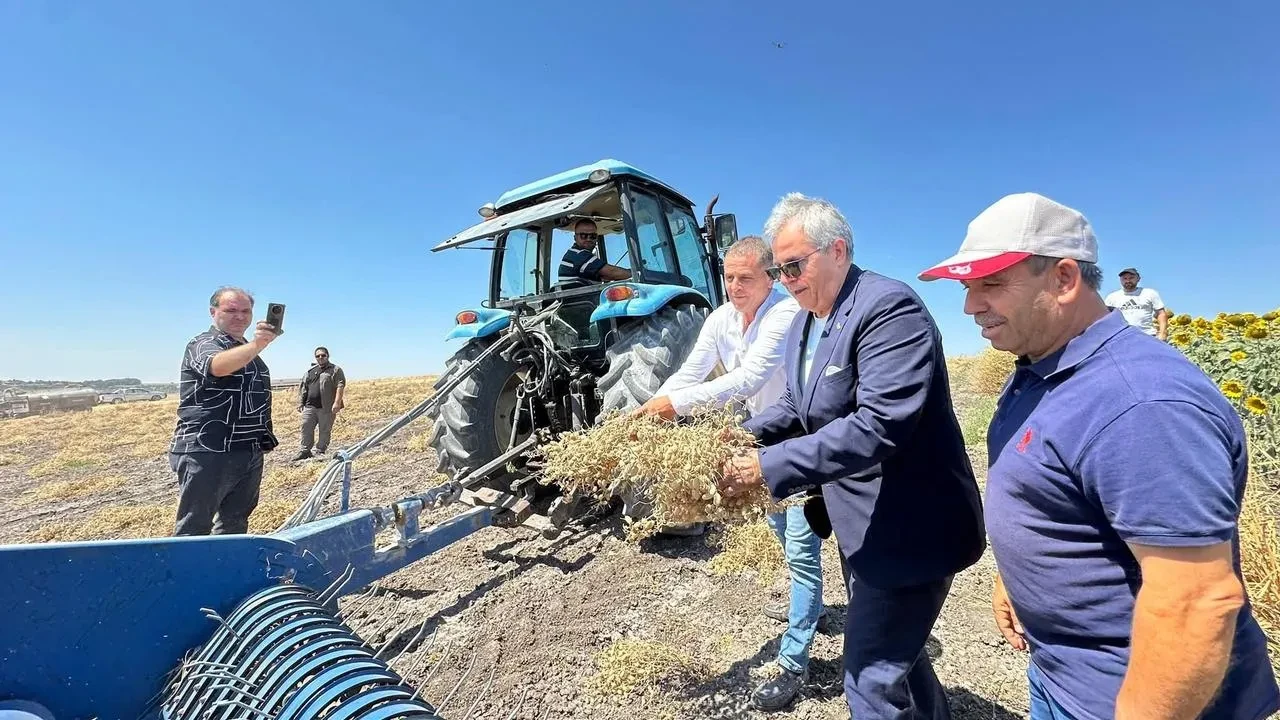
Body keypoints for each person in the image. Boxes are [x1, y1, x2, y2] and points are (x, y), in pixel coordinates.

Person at [918, 192, 1280, 720]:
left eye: (990, 284)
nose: (970, 306)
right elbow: (1057, 496)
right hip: (1063, 675)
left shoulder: (1141, 402)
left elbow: (1194, 602)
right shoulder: (1044, 367)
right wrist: (1018, 575)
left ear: (1064, 279)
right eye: (967, 287)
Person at [719, 193, 985, 719]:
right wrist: (741, 436)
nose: (786, 279)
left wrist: (767, 467)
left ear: (836, 250)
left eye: (794, 266)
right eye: (779, 270)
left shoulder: (889, 309)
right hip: (858, 523)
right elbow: (797, 403)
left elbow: (880, 425)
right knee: (899, 656)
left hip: (907, 525)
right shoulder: (806, 321)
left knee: (868, 681)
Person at [634, 236, 821, 711]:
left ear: (770, 278)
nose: (735, 286)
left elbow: (749, 378)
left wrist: (674, 406)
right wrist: (650, 407)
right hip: (758, 439)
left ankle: (793, 661)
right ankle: (809, 606)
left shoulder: (785, 313)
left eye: (746, 278)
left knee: (802, 547)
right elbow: (690, 371)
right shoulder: (720, 319)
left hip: (800, 439)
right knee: (782, 533)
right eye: (728, 277)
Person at [169, 286, 280, 536]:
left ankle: (227, 562)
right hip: (208, 449)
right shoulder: (203, 343)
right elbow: (217, 366)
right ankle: (190, 564)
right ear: (213, 312)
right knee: (194, 527)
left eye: (245, 311)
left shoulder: (247, 349)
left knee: (235, 523)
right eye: (231, 310)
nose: (239, 316)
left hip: (247, 449)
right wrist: (259, 343)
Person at [293, 346, 346, 461]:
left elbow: (340, 386)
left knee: (324, 429)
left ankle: (320, 450)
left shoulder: (335, 370)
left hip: (326, 407)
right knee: (306, 427)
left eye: (323, 355)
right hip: (310, 406)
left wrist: (337, 403)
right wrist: (300, 402)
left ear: (328, 356)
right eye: (318, 356)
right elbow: (304, 387)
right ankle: (305, 451)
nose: (320, 357)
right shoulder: (310, 371)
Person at [557, 218, 630, 286]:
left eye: (592, 236)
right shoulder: (579, 255)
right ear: (575, 237)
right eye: (583, 235)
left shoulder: (575, 255)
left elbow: (606, 276)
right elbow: (612, 272)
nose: (588, 239)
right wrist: (635, 272)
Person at [1105, 267, 1169, 340]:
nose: (1128, 281)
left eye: (1131, 278)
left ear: (1138, 279)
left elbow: (1161, 314)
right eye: (1125, 278)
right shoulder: (1112, 297)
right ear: (1120, 280)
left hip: (1147, 335)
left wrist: (1163, 333)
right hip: (1121, 338)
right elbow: (1105, 318)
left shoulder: (1149, 293)